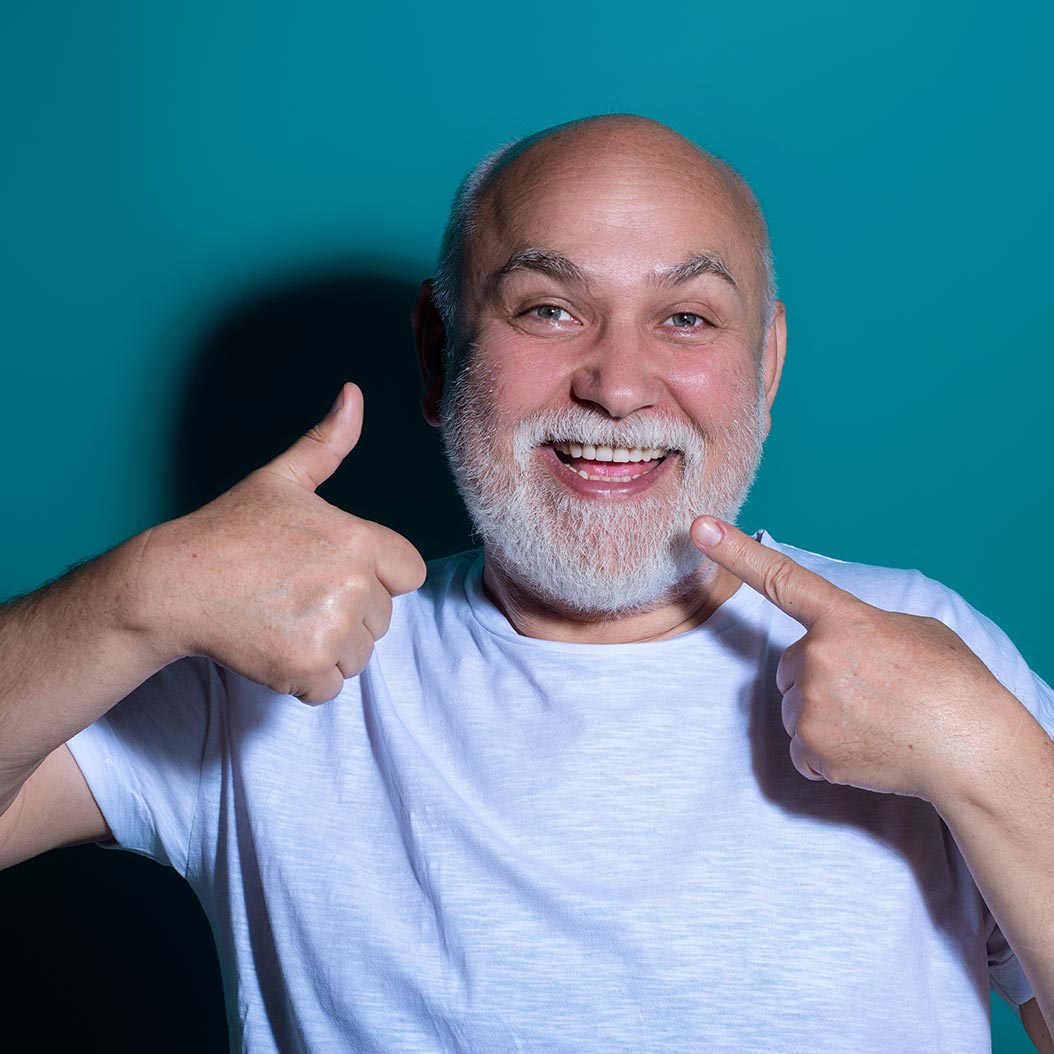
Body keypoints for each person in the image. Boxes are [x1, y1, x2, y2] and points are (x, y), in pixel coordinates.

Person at [1, 114, 1052, 1053]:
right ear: (435, 348)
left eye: (686, 317)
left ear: (766, 364)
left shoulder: (925, 644)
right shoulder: (261, 660)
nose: (618, 384)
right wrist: (136, 593)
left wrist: (986, 756)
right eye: (549, 309)